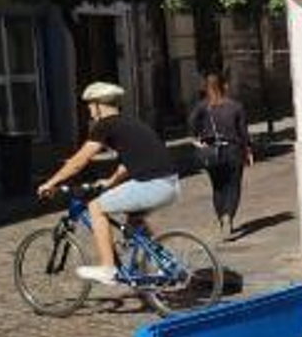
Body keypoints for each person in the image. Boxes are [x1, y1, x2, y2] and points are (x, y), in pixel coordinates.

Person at [36, 82, 179, 286]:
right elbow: (128, 163)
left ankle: (108, 268)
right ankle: (164, 264)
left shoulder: (105, 125)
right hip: (170, 184)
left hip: (153, 185)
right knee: (134, 220)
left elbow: (79, 161)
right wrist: (110, 182)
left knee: (96, 206)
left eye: (89, 107)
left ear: (98, 105)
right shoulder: (129, 122)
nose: (89, 112)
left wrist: (51, 183)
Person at [188, 72, 252, 238]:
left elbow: (191, 123)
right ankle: (228, 216)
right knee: (233, 186)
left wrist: (197, 138)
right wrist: (248, 150)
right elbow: (243, 132)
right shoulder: (236, 106)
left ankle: (221, 216)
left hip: (211, 152)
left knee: (218, 187)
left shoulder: (202, 106)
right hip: (233, 150)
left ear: (206, 88)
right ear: (225, 86)